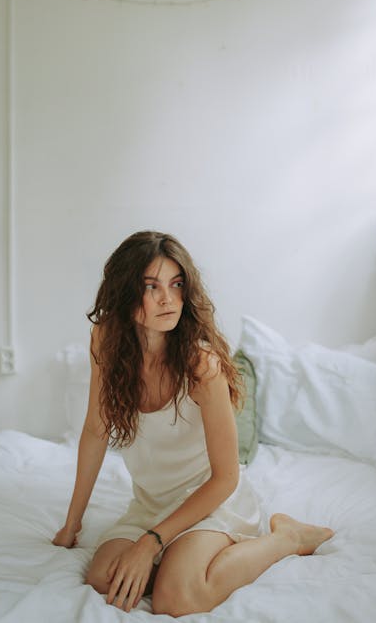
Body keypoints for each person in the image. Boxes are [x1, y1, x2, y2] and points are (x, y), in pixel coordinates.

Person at [53, 230, 333, 616]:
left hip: (210, 501)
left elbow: (226, 478)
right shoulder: (106, 340)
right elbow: (95, 430)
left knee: (178, 598)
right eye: (151, 287)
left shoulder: (201, 366)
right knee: (104, 579)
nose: (168, 299)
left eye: (176, 284)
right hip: (151, 503)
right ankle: (176, 555)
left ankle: (287, 536)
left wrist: (151, 543)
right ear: (124, 293)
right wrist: (72, 524)